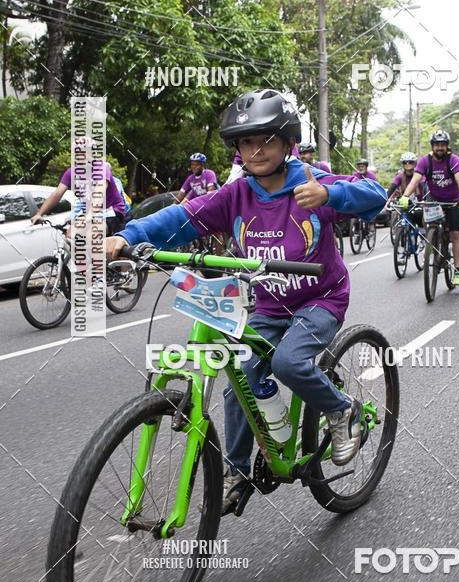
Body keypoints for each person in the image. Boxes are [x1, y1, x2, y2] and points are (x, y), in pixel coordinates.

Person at [105, 88, 387, 513]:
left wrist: (331, 196)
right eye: (247, 142)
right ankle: (237, 471)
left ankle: (343, 410)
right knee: (238, 366)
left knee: (288, 363)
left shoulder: (312, 183)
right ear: (237, 149)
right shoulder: (236, 194)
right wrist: (127, 236)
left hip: (319, 300)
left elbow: (376, 197)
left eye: (267, 140)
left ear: (288, 142)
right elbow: (183, 217)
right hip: (269, 306)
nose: (256, 150)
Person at [399, 130, 459, 285]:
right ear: (432, 146)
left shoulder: (454, 160)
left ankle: (457, 271)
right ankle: (433, 241)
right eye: (437, 145)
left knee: (456, 234)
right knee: (429, 225)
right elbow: (415, 181)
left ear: (447, 146)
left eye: (443, 145)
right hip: (434, 200)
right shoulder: (425, 161)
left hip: (454, 201)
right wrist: (405, 196)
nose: (440, 148)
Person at [31, 147, 127, 235]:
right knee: (70, 236)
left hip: (111, 211)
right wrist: (39, 214)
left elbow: (99, 193)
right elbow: (57, 194)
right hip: (89, 212)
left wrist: (89, 215)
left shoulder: (101, 169)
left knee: (93, 234)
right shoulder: (72, 172)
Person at [387, 151, 426, 228]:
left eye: (410, 162)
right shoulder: (400, 176)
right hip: (405, 202)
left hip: (419, 202)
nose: (407, 164)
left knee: (419, 215)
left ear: (415, 163)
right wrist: (385, 200)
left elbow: (424, 187)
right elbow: (392, 188)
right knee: (398, 213)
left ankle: (422, 233)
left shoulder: (420, 175)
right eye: (405, 162)